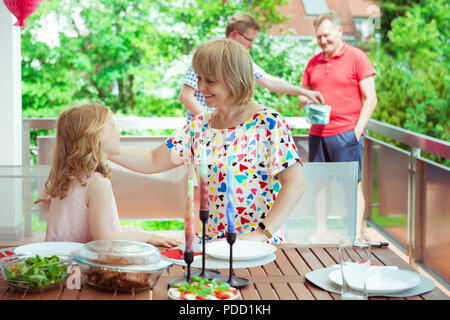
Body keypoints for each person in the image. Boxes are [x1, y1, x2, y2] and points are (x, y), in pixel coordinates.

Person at [110, 39, 306, 243]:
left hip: (257, 247)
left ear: (235, 78)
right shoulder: (201, 126)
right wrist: (105, 150)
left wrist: (259, 234)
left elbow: (295, 184)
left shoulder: (268, 123)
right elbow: (152, 159)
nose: (201, 87)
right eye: (199, 78)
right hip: (212, 247)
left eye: (210, 81)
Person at [39, 104, 183, 247]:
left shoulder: (67, 176)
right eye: (113, 126)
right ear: (95, 136)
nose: (118, 132)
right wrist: (148, 236)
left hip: (57, 260)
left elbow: (76, 207)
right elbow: (103, 239)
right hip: (79, 264)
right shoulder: (98, 184)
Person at [298, 12, 378, 238]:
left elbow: (371, 98)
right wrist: (309, 97)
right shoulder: (313, 62)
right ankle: (320, 230)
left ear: (339, 32)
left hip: (346, 134)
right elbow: (301, 97)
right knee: (320, 185)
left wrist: (357, 131)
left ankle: (354, 233)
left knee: (352, 185)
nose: (323, 41)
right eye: (319, 37)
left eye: (327, 35)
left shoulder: (357, 57)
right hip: (318, 134)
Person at [179, 12, 324, 122]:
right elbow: (186, 96)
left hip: (223, 132)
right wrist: (211, 122)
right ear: (235, 34)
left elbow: (269, 81)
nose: (251, 45)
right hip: (203, 133)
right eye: (249, 40)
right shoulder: (208, 56)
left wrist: (304, 92)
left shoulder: (241, 61)